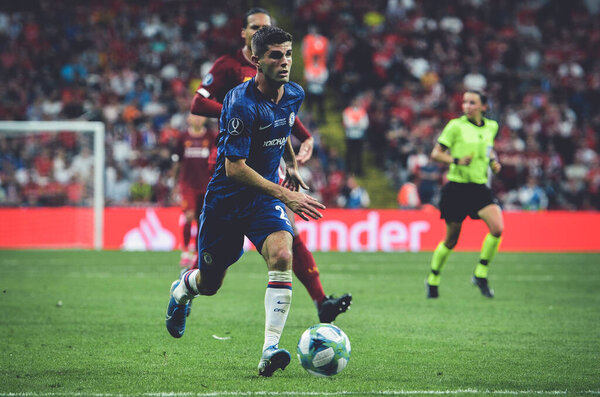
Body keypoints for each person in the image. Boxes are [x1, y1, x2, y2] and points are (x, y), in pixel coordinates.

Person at [166, 26, 326, 377]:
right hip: (226, 201)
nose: (285, 62)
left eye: (288, 54)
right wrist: (287, 194)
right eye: (275, 55)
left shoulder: (293, 93)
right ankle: (182, 290)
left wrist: (292, 167)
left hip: (264, 197)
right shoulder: (240, 103)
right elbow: (235, 169)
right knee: (210, 284)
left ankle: (270, 350)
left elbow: (281, 129)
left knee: (283, 254)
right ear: (256, 60)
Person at [190, 8, 351, 323]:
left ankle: (319, 302)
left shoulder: (281, 75)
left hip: (264, 162)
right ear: (244, 33)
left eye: (266, 27)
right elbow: (198, 103)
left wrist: (303, 140)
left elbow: (279, 116)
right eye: (254, 27)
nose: (259, 31)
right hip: (230, 163)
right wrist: (239, 112)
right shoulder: (228, 67)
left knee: (286, 237)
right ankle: (192, 275)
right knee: (213, 279)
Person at [425, 90, 503, 299]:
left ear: (483, 107)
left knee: (497, 228)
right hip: (457, 189)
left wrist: (494, 162)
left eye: (472, 103)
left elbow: (489, 149)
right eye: (465, 102)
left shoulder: (491, 127)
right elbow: (436, 153)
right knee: (451, 241)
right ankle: (433, 278)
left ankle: (481, 274)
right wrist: (456, 160)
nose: (467, 106)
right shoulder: (455, 126)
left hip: (479, 188)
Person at [172, 114, 218, 267]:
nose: (198, 119)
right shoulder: (183, 137)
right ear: (188, 119)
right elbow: (178, 163)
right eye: (194, 116)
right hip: (188, 185)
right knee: (188, 215)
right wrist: (174, 184)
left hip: (206, 185)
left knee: (201, 219)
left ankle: (198, 252)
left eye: (200, 116)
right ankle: (185, 251)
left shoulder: (211, 136)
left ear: (205, 119)